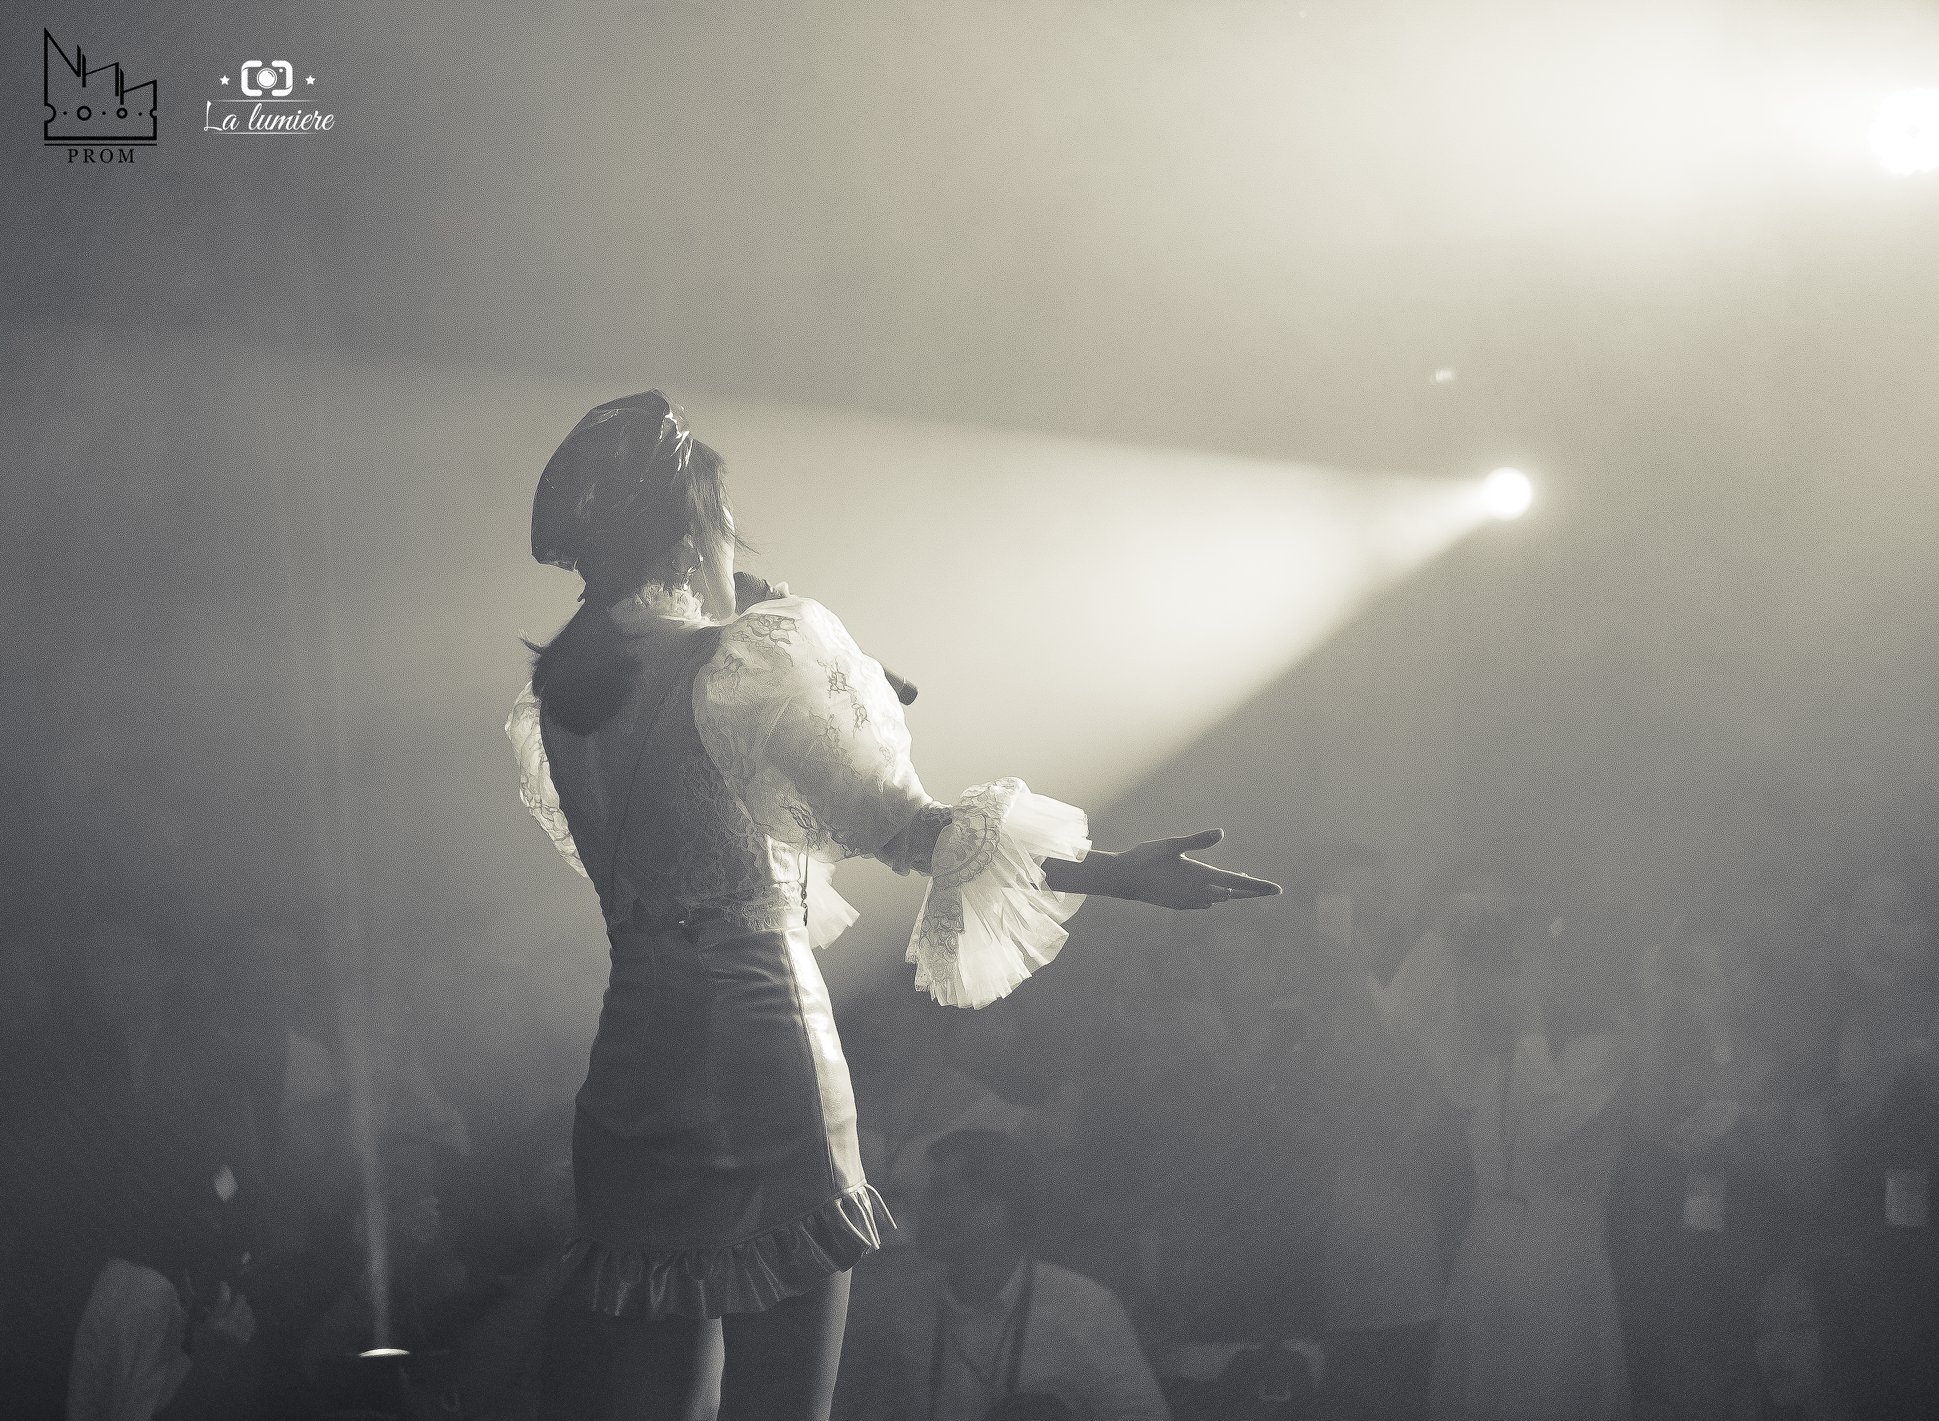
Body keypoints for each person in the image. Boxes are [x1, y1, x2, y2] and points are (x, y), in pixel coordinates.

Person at [503, 390, 1280, 1421]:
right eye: (724, 518)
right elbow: (916, 831)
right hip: (754, 1046)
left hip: (635, 1066)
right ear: (689, 528)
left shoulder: (566, 695)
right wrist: (1112, 870)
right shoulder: (740, 661)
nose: (738, 539)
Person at [838, 1128, 1171, 1421]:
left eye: (939, 1193)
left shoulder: (1083, 1309)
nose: (920, 1207)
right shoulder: (902, 1303)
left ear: (992, 1211)